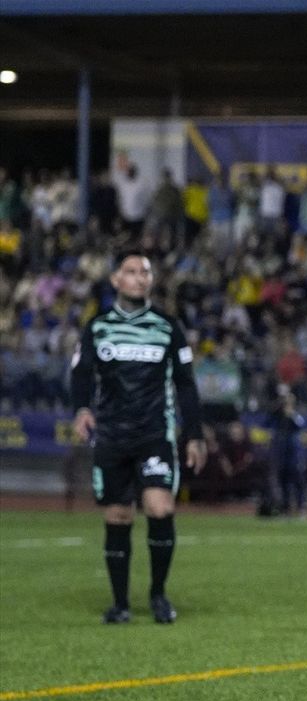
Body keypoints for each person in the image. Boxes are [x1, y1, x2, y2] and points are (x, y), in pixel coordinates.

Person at [68, 249, 206, 624]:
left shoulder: (167, 327)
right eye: (131, 271)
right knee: (118, 514)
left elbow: (185, 384)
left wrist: (194, 434)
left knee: (161, 508)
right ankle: (120, 604)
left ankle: (158, 595)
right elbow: (81, 375)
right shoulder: (97, 327)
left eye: (145, 271)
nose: (140, 278)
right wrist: (82, 410)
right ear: (115, 279)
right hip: (112, 435)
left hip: (154, 434)